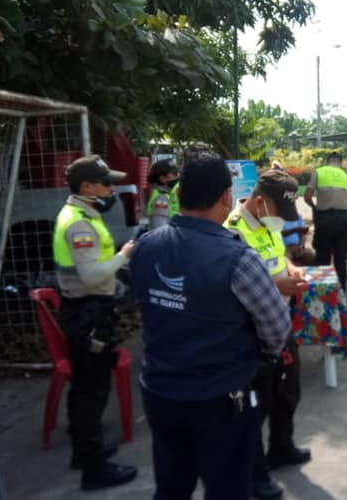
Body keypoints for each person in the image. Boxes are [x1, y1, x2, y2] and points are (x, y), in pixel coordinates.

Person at [132, 153, 291, 499]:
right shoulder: (239, 259)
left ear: (180, 194)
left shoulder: (144, 247)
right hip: (221, 398)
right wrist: (261, 356)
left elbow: (143, 304)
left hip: (160, 392)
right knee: (227, 489)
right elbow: (277, 327)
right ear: (226, 197)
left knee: (171, 487)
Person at [224, 170, 311, 500]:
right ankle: (253, 473)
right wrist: (278, 285)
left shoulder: (267, 222)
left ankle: (281, 447)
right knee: (254, 406)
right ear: (259, 201)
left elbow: (278, 254)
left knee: (288, 391)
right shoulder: (234, 230)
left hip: (279, 323)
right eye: (279, 211)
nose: (282, 219)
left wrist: (291, 268)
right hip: (251, 332)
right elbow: (233, 284)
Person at [52, 155, 137, 490]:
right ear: (87, 187)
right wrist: (123, 256)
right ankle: (94, 469)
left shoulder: (82, 214)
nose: (111, 189)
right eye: (106, 183)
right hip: (87, 313)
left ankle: (85, 451)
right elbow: (90, 276)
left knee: (85, 387)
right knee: (92, 390)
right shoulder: (79, 224)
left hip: (86, 310)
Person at [305, 152, 347, 289]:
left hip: (325, 219)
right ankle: (341, 292)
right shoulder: (345, 176)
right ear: (340, 162)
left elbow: (307, 196)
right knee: (341, 259)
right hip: (343, 219)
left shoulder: (319, 172)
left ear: (328, 161)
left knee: (322, 257)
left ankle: (323, 292)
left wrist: (315, 208)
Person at [145, 159, 179, 229]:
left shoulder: (169, 194)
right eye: (174, 174)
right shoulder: (161, 197)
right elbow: (159, 227)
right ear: (162, 178)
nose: (178, 176)